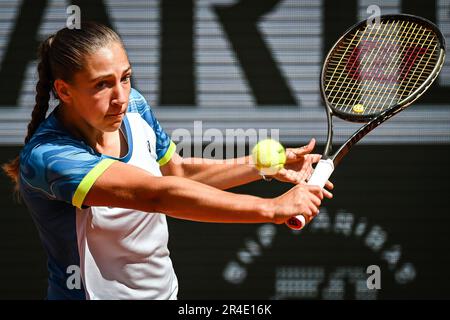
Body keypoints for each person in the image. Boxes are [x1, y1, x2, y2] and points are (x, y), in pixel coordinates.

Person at [2, 22, 333, 300]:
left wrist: (261, 168)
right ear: (64, 90)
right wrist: (272, 209)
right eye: (102, 85)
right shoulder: (50, 156)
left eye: (125, 77)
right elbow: (157, 194)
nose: (120, 97)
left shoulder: (134, 107)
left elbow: (178, 174)